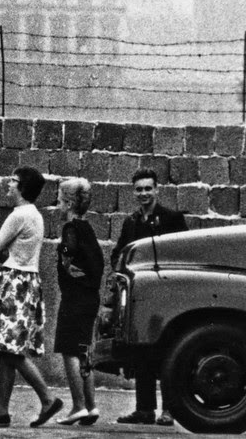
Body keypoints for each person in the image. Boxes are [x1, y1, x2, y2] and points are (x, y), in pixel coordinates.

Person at [0, 166, 64, 428]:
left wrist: (6, 258)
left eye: (13, 181)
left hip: (13, 282)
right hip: (28, 282)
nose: (9, 184)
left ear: (23, 187)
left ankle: (47, 398)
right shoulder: (35, 214)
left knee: (10, 350)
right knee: (5, 349)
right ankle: (1, 410)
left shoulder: (19, 215)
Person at [110, 167, 188, 426]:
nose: (143, 193)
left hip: (167, 298)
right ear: (134, 192)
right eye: (139, 189)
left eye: (148, 188)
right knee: (141, 350)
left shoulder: (172, 219)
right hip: (139, 298)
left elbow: (183, 253)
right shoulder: (131, 222)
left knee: (167, 352)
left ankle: (169, 410)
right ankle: (144, 409)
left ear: (157, 190)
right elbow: (118, 254)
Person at [53, 177, 104, 426]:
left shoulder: (70, 229)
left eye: (60, 200)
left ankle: (78, 405)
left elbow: (68, 251)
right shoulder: (88, 228)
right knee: (83, 350)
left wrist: (63, 258)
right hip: (90, 298)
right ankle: (91, 406)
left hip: (74, 298)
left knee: (69, 350)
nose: (57, 205)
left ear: (69, 202)